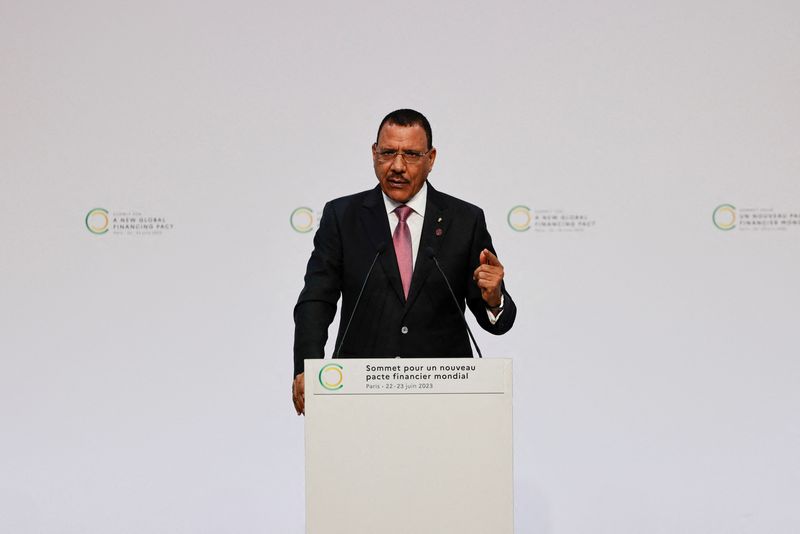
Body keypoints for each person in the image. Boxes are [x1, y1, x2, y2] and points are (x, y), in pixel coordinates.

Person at [292, 109, 516, 414]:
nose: (397, 166)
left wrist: (494, 298)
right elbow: (316, 300)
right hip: (360, 395)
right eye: (388, 153)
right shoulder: (342, 217)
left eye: (411, 154)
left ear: (431, 158)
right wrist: (308, 367)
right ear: (374, 154)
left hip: (446, 398)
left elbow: (496, 321)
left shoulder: (465, 220)